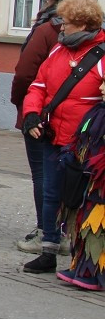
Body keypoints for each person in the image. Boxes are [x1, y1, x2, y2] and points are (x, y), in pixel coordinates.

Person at [21, 0, 105, 275]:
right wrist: (32, 114)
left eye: (65, 23)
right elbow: (38, 85)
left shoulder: (102, 55)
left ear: (82, 24)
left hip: (86, 145)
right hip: (53, 135)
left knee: (80, 200)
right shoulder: (58, 51)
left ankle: (81, 259)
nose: (60, 28)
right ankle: (48, 250)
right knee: (50, 194)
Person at [9, 0, 84, 254]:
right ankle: (60, 234)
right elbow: (38, 79)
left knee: (45, 176)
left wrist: (22, 105)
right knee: (67, 178)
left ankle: (48, 231)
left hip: (46, 120)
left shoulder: (47, 32)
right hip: (60, 119)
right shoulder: (67, 40)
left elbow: (26, 74)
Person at [55, 101, 105, 291]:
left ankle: (94, 272)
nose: (101, 87)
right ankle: (82, 266)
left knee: (97, 225)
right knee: (85, 221)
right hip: (90, 178)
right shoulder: (98, 111)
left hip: (100, 181)